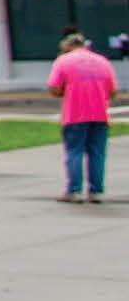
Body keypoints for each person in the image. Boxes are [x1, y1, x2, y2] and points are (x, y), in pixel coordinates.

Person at [47, 30, 115, 204]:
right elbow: (112, 91)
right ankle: (96, 192)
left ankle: (74, 191)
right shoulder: (103, 61)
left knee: (74, 152)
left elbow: (54, 88)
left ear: (67, 47)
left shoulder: (63, 61)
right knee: (97, 154)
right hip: (100, 114)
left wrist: (66, 91)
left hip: (75, 114)